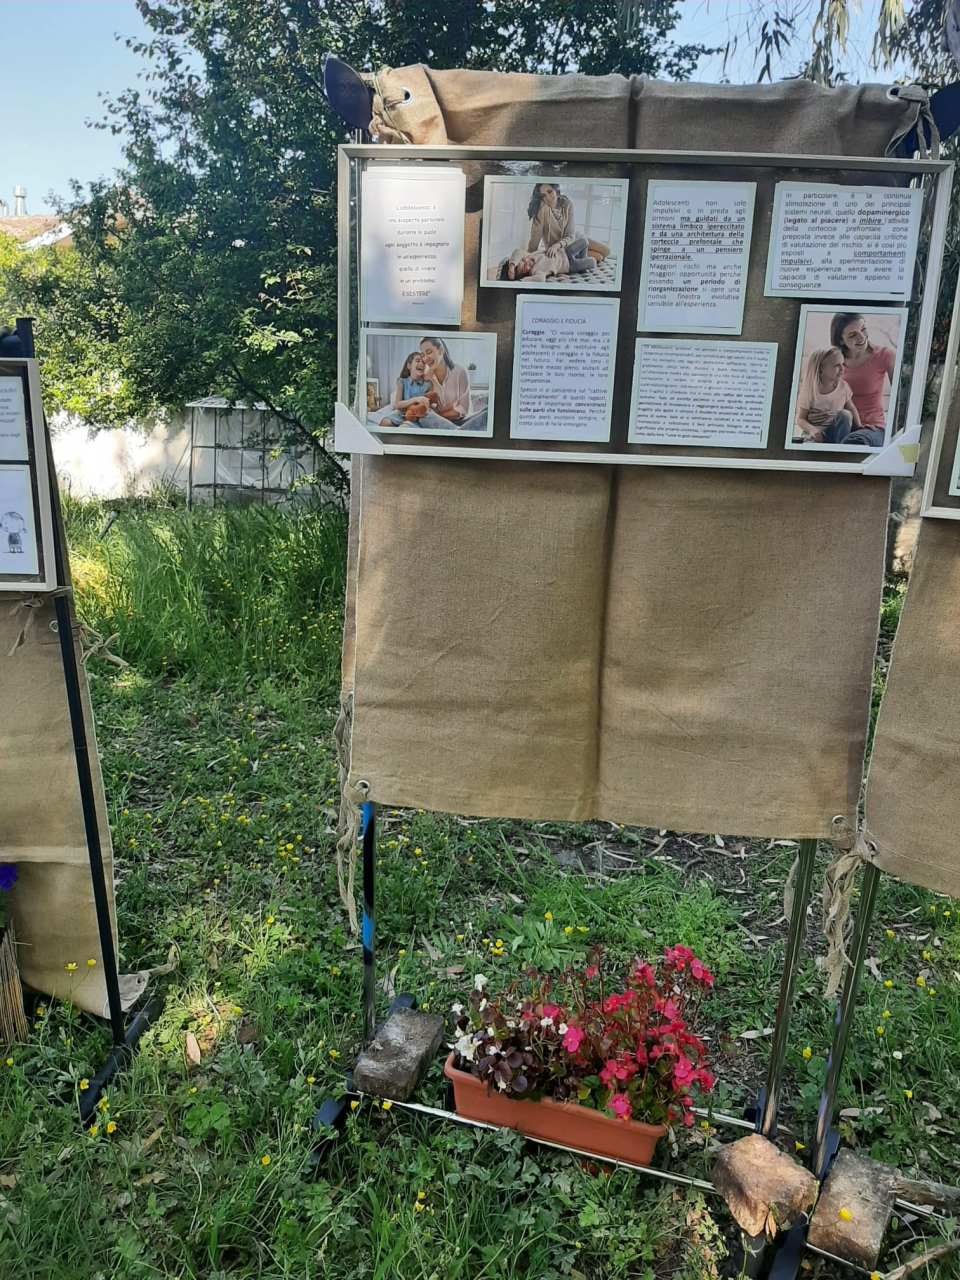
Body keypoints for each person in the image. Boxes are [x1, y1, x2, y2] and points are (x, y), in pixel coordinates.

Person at [822, 312, 895, 447]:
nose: (861, 337)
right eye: (852, 335)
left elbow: (903, 399)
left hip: (871, 428)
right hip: (839, 424)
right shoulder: (831, 362)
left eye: (863, 329)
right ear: (840, 340)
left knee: (854, 442)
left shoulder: (884, 355)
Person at [527, 183, 610, 262]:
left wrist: (557, 245)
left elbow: (571, 235)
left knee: (607, 251)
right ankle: (579, 254)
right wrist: (529, 257)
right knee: (599, 257)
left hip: (574, 239)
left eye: (550, 191)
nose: (548, 198)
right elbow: (535, 237)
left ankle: (582, 251)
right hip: (564, 250)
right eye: (543, 195)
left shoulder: (567, 203)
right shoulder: (542, 209)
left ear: (556, 189)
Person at [795, 347, 863, 444]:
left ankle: (841, 446)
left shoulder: (843, 387)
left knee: (845, 414)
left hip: (836, 431)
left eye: (842, 364)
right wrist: (812, 430)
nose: (842, 369)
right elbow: (800, 419)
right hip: (816, 433)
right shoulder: (809, 391)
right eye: (837, 365)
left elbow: (851, 408)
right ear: (820, 371)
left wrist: (859, 426)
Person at [499, 237, 596, 282]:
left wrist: (512, 265)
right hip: (569, 265)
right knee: (593, 262)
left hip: (565, 252)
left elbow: (518, 251)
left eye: (523, 260)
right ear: (525, 274)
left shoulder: (530, 255)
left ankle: (582, 258)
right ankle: (581, 263)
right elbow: (541, 279)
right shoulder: (536, 271)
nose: (527, 262)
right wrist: (523, 281)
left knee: (585, 241)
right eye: (525, 267)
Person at [378, 351, 433, 427]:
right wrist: (416, 399)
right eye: (418, 361)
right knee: (384, 422)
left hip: (417, 417)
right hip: (402, 414)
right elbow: (397, 405)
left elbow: (430, 403)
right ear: (409, 366)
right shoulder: (402, 382)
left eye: (423, 362)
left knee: (404, 427)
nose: (421, 364)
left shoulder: (428, 384)